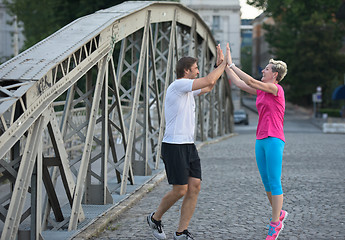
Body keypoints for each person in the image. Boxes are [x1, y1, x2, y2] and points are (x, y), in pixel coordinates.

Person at [147, 45, 227, 240]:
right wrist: (224, 64)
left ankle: (181, 232)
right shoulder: (178, 85)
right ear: (186, 71)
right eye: (196, 68)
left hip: (188, 145)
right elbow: (208, 79)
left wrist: (219, 67)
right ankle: (155, 218)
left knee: (195, 186)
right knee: (180, 189)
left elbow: (209, 85)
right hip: (174, 145)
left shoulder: (188, 91)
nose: (198, 71)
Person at [222, 43, 288, 240]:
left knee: (275, 181)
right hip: (260, 139)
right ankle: (280, 213)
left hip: (275, 139)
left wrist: (233, 64)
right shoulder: (261, 91)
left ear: (274, 75)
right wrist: (225, 65)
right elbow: (240, 84)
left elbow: (250, 81)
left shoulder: (276, 89)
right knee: (266, 182)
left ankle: (275, 223)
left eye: (266, 69)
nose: (263, 70)